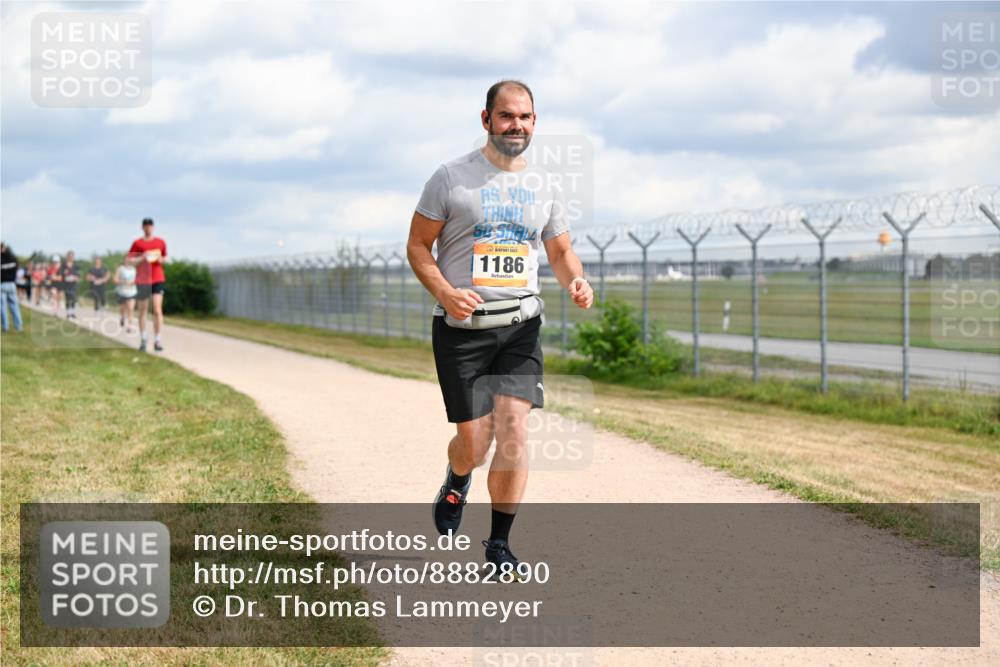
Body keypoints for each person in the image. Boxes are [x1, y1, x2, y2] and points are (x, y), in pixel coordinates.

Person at [407, 80, 593, 573]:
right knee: (476, 443)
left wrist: (577, 280)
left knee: (512, 431)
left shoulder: (545, 186)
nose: (518, 126)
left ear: (536, 122)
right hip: (461, 329)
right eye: (507, 116)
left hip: (519, 327)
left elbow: (559, 251)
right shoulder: (450, 178)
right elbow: (417, 246)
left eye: (526, 117)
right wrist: (445, 291)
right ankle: (457, 477)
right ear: (486, 119)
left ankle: (499, 545)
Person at [129, 218, 167, 352]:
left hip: (157, 278)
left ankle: (157, 340)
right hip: (143, 279)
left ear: (153, 227)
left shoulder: (160, 242)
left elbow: (164, 259)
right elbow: (130, 261)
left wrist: (159, 258)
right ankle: (144, 338)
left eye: (150, 226)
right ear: (142, 227)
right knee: (143, 310)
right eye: (145, 226)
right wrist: (142, 257)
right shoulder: (137, 243)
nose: (148, 228)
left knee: (157, 309)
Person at [1, 242, 24, 333]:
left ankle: (5, 326)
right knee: (14, 306)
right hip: (12, 285)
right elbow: (17, 269)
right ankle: (19, 326)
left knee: (2, 307)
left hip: (2, 285)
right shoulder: (14, 258)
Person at [114, 254, 138, 332]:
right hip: (122, 292)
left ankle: (129, 326)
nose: (128, 260)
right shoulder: (120, 269)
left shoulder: (135, 269)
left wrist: (133, 282)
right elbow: (115, 280)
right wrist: (123, 282)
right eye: (127, 259)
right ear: (124, 260)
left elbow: (138, 279)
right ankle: (122, 317)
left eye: (130, 259)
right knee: (122, 308)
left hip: (132, 291)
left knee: (130, 308)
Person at [59, 251, 81, 319]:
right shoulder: (63, 265)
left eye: (72, 256)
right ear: (67, 257)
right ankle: (68, 313)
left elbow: (78, 274)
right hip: (66, 283)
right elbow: (60, 273)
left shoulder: (76, 265)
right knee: (68, 298)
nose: (71, 258)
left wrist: (76, 277)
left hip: (73, 284)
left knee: (73, 298)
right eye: (69, 256)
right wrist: (64, 273)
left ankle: (73, 313)